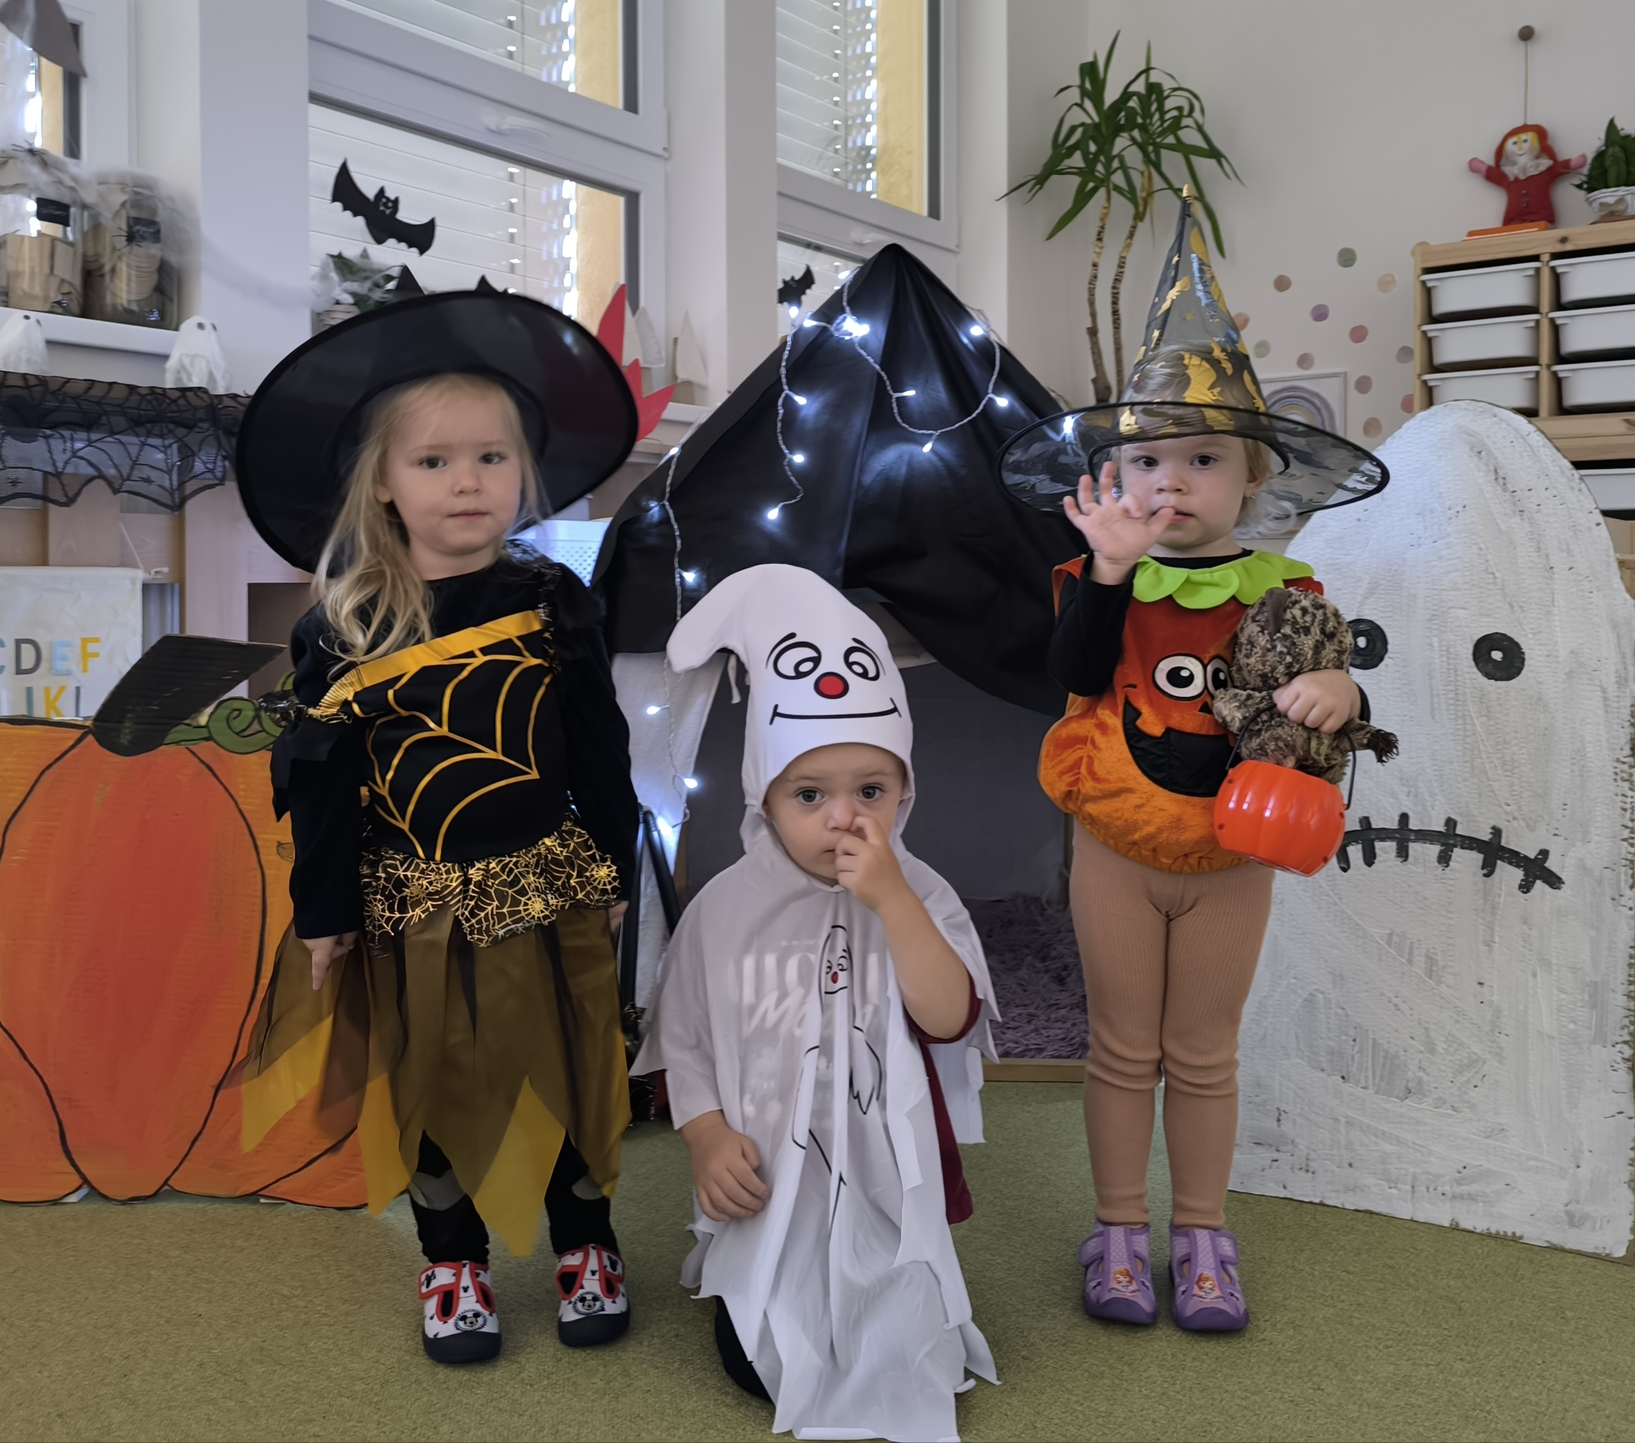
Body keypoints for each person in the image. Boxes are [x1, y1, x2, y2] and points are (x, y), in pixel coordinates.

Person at [997, 195, 1391, 1331]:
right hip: (1118, 846)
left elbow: (1327, 696)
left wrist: (1345, 691)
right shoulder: (1097, 579)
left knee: (1204, 1052)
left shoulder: (1288, 592)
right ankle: (1118, 1230)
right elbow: (1073, 672)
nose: (1170, 482)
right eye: (1146, 461)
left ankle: (1203, 1234)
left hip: (1232, 857)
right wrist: (1108, 572)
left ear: (1252, 477)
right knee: (1122, 1047)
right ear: (1115, 476)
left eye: (1201, 459)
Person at [230, 290, 645, 1363]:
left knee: (565, 1072)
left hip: (547, 887)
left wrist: (613, 865)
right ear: (382, 481)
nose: (467, 482)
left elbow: (598, 748)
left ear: (524, 470)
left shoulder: (553, 601)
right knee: (428, 1087)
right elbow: (322, 785)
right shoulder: (344, 625)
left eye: (490, 458)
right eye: (433, 461)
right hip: (409, 904)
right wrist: (322, 911)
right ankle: (451, 1260)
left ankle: (585, 1242)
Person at [633, 564, 998, 1441]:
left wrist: (893, 902)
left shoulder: (923, 892)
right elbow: (683, 1040)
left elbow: (949, 1016)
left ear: (903, 792)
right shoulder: (722, 908)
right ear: (763, 796)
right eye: (809, 795)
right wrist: (705, 1133)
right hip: (769, 1177)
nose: (844, 818)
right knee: (760, 1358)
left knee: (909, 1350)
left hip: (883, 1177)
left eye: (870, 790)